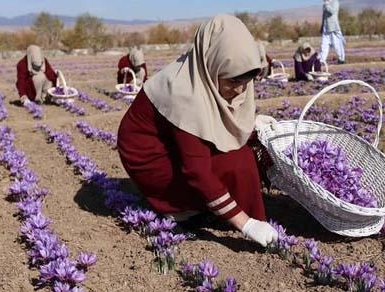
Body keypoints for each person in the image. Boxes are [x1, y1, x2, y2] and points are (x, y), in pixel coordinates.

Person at [116, 14, 278, 248]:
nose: (240, 89)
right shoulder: (186, 94)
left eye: (247, 80)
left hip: (173, 139)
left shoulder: (208, 72)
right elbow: (197, 171)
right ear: (213, 64)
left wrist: (251, 123)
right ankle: (181, 210)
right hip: (151, 156)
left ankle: (219, 205)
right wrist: (246, 224)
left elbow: (215, 122)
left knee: (249, 145)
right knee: (236, 161)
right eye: (233, 81)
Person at [319, 0, 346, 64]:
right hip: (326, 28)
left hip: (333, 28)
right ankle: (321, 60)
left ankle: (341, 59)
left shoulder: (335, 2)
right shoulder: (325, 4)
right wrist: (322, 26)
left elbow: (332, 11)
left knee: (337, 44)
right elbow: (324, 17)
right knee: (323, 45)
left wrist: (327, 4)